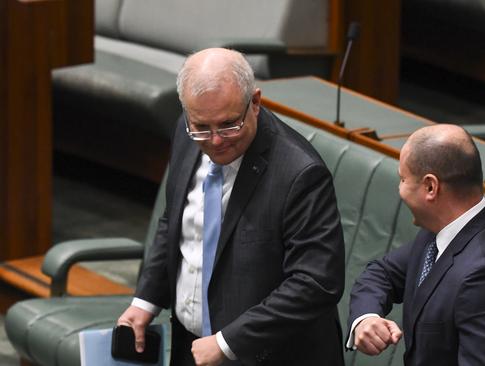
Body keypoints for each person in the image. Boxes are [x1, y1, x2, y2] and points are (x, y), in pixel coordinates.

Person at [117, 48, 345, 366]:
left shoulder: (299, 173)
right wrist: (146, 301)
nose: (215, 140)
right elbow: (176, 221)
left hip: (267, 357)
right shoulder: (186, 135)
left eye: (228, 125)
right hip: (191, 347)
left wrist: (227, 343)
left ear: (255, 102)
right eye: (201, 127)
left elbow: (315, 283)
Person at [347, 124, 485, 366]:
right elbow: (382, 273)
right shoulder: (443, 229)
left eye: (403, 179)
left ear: (430, 187)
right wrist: (366, 318)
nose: (399, 189)